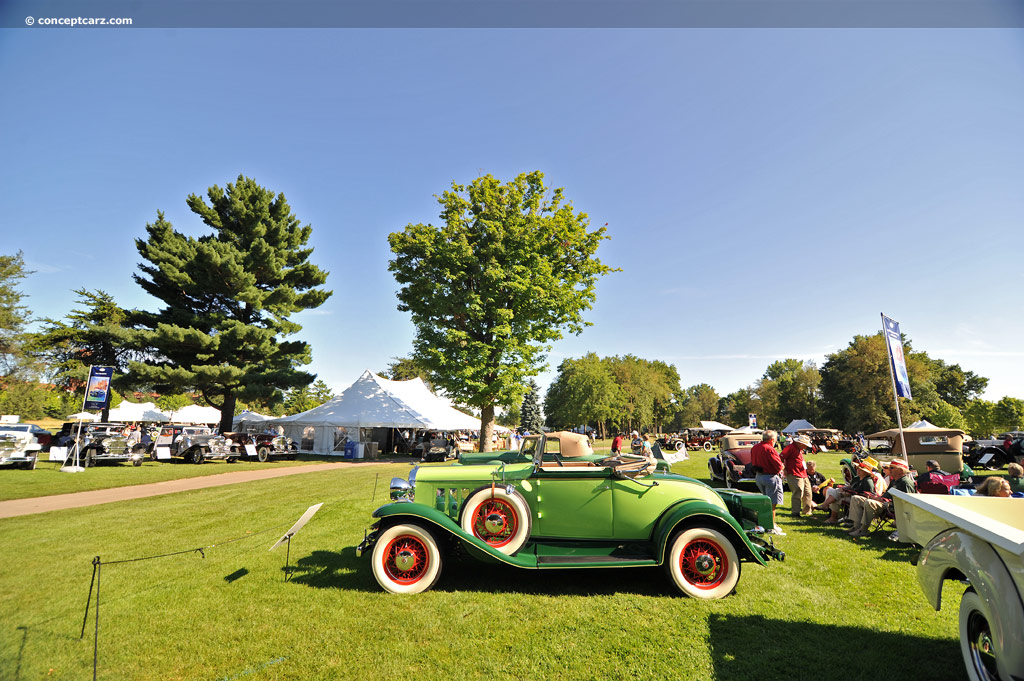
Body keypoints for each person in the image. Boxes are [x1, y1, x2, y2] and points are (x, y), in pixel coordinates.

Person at [845, 459, 916, 537]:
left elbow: (908, 502)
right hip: (885, 503)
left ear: (900, 470)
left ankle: (863, 530)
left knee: (870, 502)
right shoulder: (894, 481)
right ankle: (856, 527)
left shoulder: (906, 483)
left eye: (892, 468)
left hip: (894, 507)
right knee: (856, 498)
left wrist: (879, 499)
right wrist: (877, 498)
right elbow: (886, 495)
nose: (889, 469)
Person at [750, 430, 785, 535]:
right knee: (772, 504)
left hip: (759, 477)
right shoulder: (770, 449)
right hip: (770, 477)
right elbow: (779, 466)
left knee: (766, 502)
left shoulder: (755, 447)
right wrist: (783, 467)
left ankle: (765, 523)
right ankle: (770, 526)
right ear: (772, 439)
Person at [781, 434, 814, 516]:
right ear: (799, 443)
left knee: (808, 492)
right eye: (805, 445)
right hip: (794, 473)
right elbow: (781, 458)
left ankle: (807, 511)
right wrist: (784, 469)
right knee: (798, 492)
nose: (805, 447)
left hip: (803, 473)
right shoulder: (790, 448)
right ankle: (795, 512)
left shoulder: (798, 449)